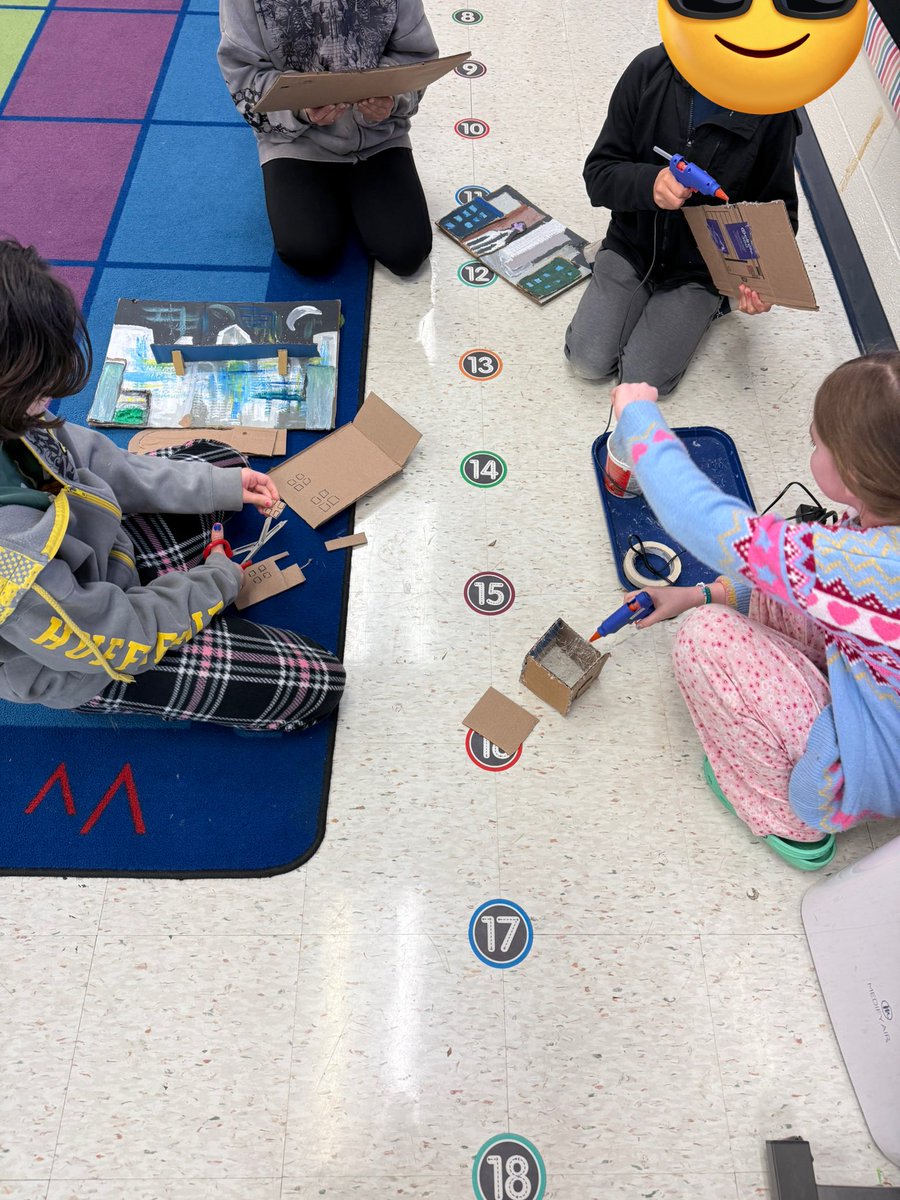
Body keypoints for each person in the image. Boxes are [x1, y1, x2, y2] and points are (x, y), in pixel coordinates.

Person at [0, 239, 345, 731]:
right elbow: (120, 636)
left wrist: (220, 485)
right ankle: (153, 631)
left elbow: (98, 461)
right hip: (83, 653)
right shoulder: (10, 560)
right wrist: (217, 582)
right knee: (316, 682)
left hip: (94, 553)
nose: (48, 400)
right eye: (35, 389)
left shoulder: (14, 413)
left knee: (221, 462)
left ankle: (170, 575)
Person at [608, 352, 900, 869]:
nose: (811, 438)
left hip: (870, 769)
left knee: (706, 639)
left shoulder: (871, 565)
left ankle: (792, 826)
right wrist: (700, 593)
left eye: (819, 441)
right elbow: (799, 584)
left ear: (856, 473)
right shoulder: (872, 540)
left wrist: (638, 420)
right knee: (761, 584)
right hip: (880, 693)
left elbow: (702, 520)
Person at [564, 43, 801, 397]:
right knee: (587, 361)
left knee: (642, 380)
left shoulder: (775, 112)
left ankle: (716, 305)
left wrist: (760, 282)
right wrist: (649, 184)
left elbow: (780, 217)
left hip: (701, 271)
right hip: (632, 245)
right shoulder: (649, 70)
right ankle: (606, 257)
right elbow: (598, 174)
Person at [218, 0, 437, 277]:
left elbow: (416, 54)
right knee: (308, 252)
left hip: (379, 135)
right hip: (297, 141)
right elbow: (244, 72)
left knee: (406, 253)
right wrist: (300, 108)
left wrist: (393, 99)